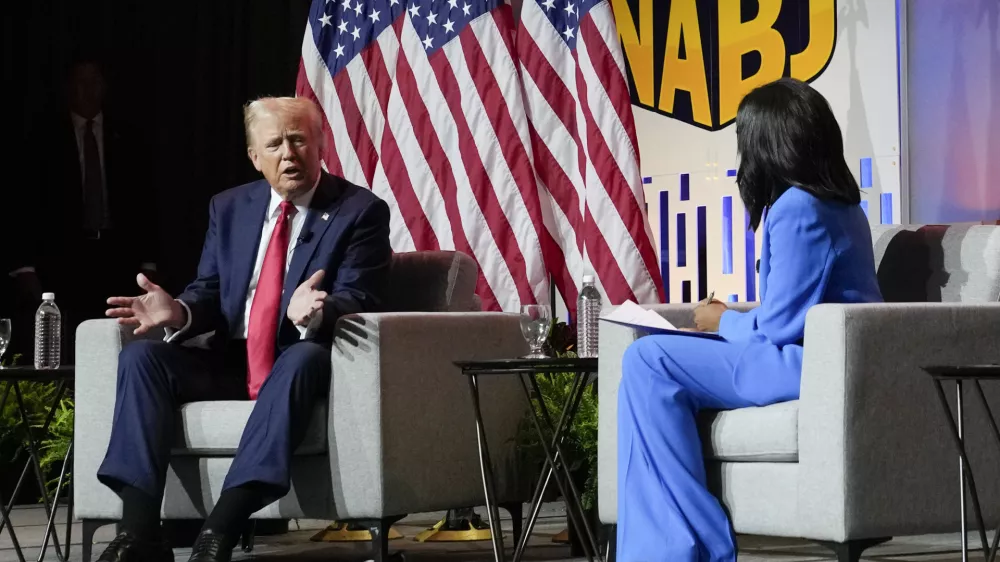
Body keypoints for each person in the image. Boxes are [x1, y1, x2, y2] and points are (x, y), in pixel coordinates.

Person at [94, 96, 392, 562]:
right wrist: (179, 312)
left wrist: (317, 309)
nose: (288, 154)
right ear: (255, 157)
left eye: (298, 140)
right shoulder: (230, 207)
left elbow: (361, 296)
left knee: (302, 357)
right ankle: (139, 533)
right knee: (140, 357)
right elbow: (211, 291)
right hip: (231, 360)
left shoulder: (360, 212)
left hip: (301, 357)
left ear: (320, 144)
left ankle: (221, 527)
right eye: (274, 144)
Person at [615, 78, 883, 561]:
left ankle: (682, 547)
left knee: (648, 360)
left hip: (803, 366)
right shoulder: (841, 207)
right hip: (813, 359)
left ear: (767, 145)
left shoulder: (798, 208)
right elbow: (793, 311)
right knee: (650, 363)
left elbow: (778, 327)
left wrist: (720, 321)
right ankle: (680, 544)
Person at [8, 58, 157, 362]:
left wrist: (150, 263)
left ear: (104, 87)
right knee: (62, 348)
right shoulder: (42, 137)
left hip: (117, 256)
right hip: (62, 258)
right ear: (68, 88)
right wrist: (25, 268)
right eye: (80, 82)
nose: (88, 90)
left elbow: (146, 202)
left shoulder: (128, 136)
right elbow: (23, 204)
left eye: (94, 82)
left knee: (114, 345)